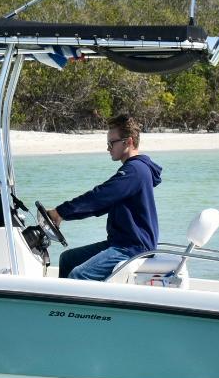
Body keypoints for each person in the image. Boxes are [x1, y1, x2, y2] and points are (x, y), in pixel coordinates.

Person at [47, 115, 162, 281]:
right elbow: (100, 206)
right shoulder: (134, 170)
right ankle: (57, 305)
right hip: (121, 243)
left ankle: (74, 307)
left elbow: (99, 196)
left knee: (79, 274)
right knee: (68, 259)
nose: (108, 148)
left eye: (111, 143)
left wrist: (60, 212)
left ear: (128, 142)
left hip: (132, 248)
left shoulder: (134, 171)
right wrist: (64, 215)